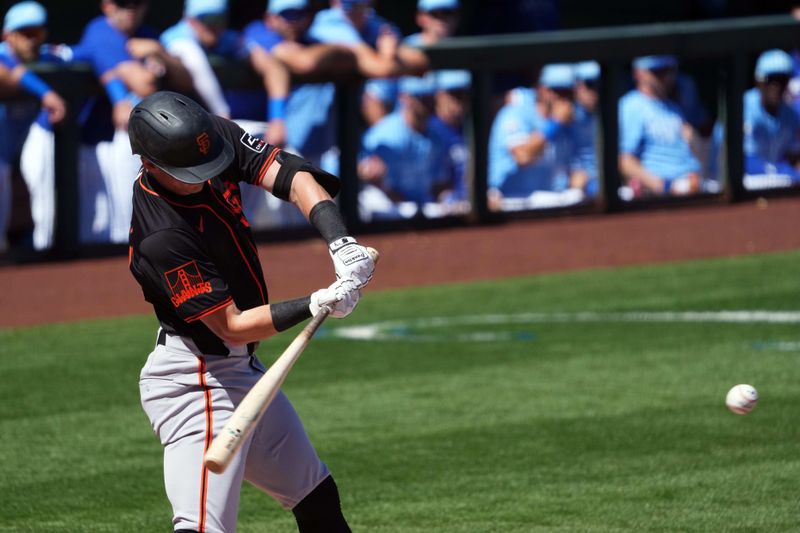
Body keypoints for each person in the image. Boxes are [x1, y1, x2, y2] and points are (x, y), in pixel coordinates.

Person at [128, 91, 376, 533]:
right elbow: (232, 327)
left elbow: (292, 177)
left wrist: (340, 242)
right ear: (150, 163)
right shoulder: (162, 236)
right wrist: (314, 303)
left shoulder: (205, 139)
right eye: (188, 175)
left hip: (239, 372)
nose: (203, 178)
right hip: (196, 382)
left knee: (316, 498)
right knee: (204, 528)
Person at [76, 0, 192, 244]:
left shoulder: (148, 35)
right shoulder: (99, 31)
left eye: (136, 3)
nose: (130, 9)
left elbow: (186, 80)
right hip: (91, 143)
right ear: (108, 5)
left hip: (124, 140)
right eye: (123, 4)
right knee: (95, 227)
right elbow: (144, 83)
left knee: (124, 223)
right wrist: (145, 74)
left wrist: (159, 53)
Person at [0, 1, 70, 251]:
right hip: (3, 150)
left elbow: (83, 54)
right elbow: (9, 68)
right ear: (8, 35)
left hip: (28, 141)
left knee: (43, 165)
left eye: (37, 33)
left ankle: (45, 247)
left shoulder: (50, 57)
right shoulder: (2, 53)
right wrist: (46, 93)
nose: (32, 40)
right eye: (25, 33)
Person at [358, 73, 450, 220]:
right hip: (387, 205)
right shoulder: (385, 134)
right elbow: (374, 184)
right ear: (404, 97)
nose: (427, 103)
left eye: (429, 98)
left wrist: (449, 201)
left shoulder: (435, 136)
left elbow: (438, 184)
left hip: (420, 206)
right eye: (421, 98)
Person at [487, 63, 579, 211]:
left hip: (549, 201)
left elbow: (577, 166)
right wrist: (554, 124)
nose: (563, 99)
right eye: (557, 91)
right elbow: (523, 155)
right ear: (542, 90)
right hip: (511, 200)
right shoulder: (516, 113)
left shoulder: (571, 120)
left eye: (568, 93)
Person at [362, 0, 461, 126]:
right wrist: (390, 135)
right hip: (409, 135)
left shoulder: (461, 53)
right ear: (421, 17)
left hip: (449, 139)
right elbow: (373, 99)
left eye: (447, 13)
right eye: (435, 14)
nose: (441, 20)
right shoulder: (404, 51)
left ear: (457, 17)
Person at [618, 55, 702, 199]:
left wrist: (692, 138)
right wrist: (662, 186)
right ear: (638, 73)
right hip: (662, 190)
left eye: (667, 70)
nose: (664, 77)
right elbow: (625, 161)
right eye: (656, 72)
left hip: (691, 182)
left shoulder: (672, 107)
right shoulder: (632, 105)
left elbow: (696, 152)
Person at [159, 0, 247, 120]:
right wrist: (224, 116)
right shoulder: (178, 39)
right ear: (190, 20)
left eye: (218, 19)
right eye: (206, 19)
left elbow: (257, 54)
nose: (213, 25)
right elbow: (197, 65)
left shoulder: (227, 37)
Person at [741, 49, 800, 190]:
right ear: (758, 81)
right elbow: (745, 162)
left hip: (774, 179)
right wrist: (782, 171)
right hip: (735, 180)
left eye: (782, 80)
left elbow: (794, 156)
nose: (777, 86)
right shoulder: (745, 107)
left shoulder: (790, 114)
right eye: (771, 80)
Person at [429, 68, 470, 208]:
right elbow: (431, 184)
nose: (460, 101)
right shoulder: (431, 131)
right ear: (439, 95)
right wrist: (450, 200)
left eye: (464, 94)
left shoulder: (469, 129)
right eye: (455, 94)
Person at [569, 60, 600, 198]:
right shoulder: (567, 116)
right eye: (590, 85)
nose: (595, 91)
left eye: (599, 85)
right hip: (572, 185)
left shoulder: (608, 114)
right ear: (577, 86)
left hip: (600, 182)